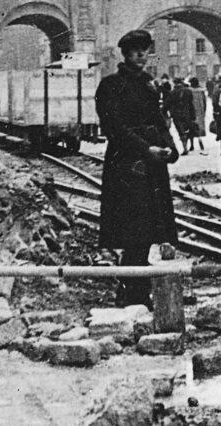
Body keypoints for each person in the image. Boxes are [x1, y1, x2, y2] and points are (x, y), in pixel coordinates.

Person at [95, 30, 180, 308]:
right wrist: (147, 148)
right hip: (128, 167)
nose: (142, 55)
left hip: (151, 167)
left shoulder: (148, 85)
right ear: (125, 54)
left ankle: (136, 293)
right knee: (135, 233)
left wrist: (171, 149)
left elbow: (160, 121)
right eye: (136, 50)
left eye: (145, 49)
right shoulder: (111, 86)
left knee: (147, 233)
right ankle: (133, 294)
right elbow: (115, 129)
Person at [165, 77, 195, 155]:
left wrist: (165, 113)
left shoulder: (172, 92)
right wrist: (193, 115)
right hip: (187, 114)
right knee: (188, 129)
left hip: (176, 115)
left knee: (181, 131)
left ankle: (185, 148)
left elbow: (166, 105)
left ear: (175, 83)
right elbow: (191, 104)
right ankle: (191, 145)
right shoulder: (188, 91)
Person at [188, 77, 208, 154]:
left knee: (191, 126)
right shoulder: (201, 91)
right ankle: (200, 139)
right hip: (200, 111)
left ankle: (192, 144)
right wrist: (204, 110)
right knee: (199, 127)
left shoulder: (189, 91)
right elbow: (205, 102)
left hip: (191, 111)